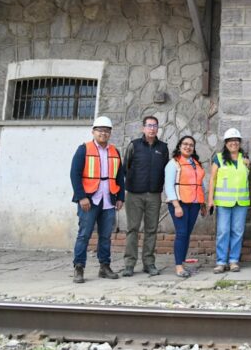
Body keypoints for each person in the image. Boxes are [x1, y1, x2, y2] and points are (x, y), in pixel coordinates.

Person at [70, 116, 125, 283]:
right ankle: (79, 268)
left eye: (107, 131)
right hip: (89, 199)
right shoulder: (83, 149)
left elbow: (120, 176)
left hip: (108, 199)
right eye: (100, 130)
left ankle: (104, 266)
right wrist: (81, 197)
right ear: (93, 131)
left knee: (106, 236)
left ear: (110, 133)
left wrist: (120, 196)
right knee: (84, 235)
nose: (103, 133)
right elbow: (75, 174)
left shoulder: (114, 151)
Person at [121, 116, 169, 277]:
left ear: (158, 128)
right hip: (134, 194)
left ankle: (149, 263)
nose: (152, 129)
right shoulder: (134, 145)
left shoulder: (163, 148)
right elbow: (125, 167)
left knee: (151, 229)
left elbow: (165, 170)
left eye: (155, 126)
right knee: (132, 229)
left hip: (154, 195)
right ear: (143, 128)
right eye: (149, 125)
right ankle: (129, 264)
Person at [164, 135, 208, 278]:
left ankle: (182, 262)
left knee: (187, 234)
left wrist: (202, 203)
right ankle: (178, 267)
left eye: (191, 145)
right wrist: (176, 205)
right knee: (182, 233)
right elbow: (169, 186)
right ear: (179, 146)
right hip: (180, 203)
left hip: (194, 204)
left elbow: (199, 184)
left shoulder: (196, 163)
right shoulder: (173, 163)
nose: (188, 147)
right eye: (185, 144)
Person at [208, 128, 250, 274]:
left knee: (237, 231)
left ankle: (233, 261)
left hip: (241, 202)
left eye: (236, 140)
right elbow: (212, 179)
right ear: (226, 143)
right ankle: (221, 261)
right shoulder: (218, 158)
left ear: (239, 143)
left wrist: (248, 163)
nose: (234, 143)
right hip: (224, 202)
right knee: (223, 231)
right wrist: (210, 200)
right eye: (231, 141)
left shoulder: (244, 159)